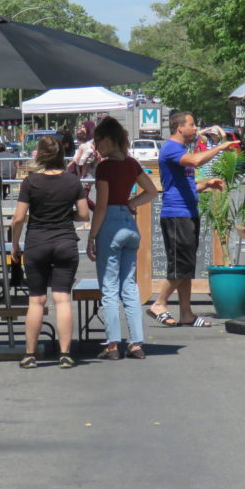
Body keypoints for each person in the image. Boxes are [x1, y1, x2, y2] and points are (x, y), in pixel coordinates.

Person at [146, 111, 238, 328]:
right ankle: (159, 303)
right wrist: (219, 147)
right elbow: (196, 161)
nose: (196, 128)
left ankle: (186, 313)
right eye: (192, 124)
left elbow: (184, 184)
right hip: (176, 214)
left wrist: (206, 184)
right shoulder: (171, 148)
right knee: (181, 264)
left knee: (187, 266)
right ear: (180, 128)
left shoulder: (180, 150)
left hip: (188, 212)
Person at [10, 135, 89, 368]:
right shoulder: (72, 181)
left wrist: (15, 244)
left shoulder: (30, 182)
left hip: (36, 243)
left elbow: (18, 218)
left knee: (36, 300)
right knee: (63, 298)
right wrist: (67, 216)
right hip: (65, 242)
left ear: (40, 155)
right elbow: (84, 215)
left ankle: (30, 355)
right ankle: (65, 354)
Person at [86, 117, 157, 360]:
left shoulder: (104, 167)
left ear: (107, 139)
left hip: (111, 226)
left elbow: (102, 205)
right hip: (129, 224)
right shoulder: (132, 164)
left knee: (109, 287)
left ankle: (113, 344)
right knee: (129, 285)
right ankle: (136, 342)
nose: (95, 146)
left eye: (97, 141)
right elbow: (152, 191)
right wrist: (131, 203)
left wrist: (91, 236)